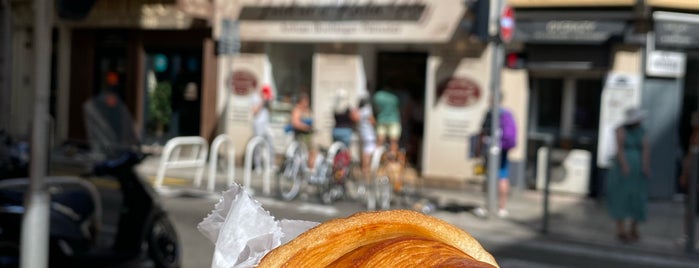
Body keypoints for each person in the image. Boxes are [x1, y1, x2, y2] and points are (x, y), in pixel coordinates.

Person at [606, 107, 650, 243]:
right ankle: (621, 229)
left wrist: (645, 165)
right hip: (623, 168)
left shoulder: (642, 131)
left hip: (637, 169)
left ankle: (634, 228)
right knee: (621, 197)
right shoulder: (621, 130)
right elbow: (619, 149)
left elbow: (646, 149)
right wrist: (624, 164)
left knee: (637, 197)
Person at [475, 92, 518, 218]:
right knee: (503, 177)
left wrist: (478, 149)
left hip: (490, 150)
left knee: (489, 177)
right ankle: (502, 208)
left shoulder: (489, 113)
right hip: (503, 149)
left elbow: (482, 133)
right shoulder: (508, 113)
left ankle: (488, 206)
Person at [251, 85, 275, 169]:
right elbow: (254, 112)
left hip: (266, 125)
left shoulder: (267, 101)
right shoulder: (255, 98)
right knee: (258, 145)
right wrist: (262, 101)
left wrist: (269, 103)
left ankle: (270, 165)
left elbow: (271, 112)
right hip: (258, 125)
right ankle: (257, 165)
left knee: (271, 144)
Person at [372, 88, 401, 155]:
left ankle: (376, 161)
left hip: (381, 120)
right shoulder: (395, 96)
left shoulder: (378, 95)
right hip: (394, 120)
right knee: (393, 142)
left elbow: (374, 108)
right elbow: (399, 108)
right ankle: (392, 161)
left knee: (379, 141)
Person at [291, 92, 316, 169]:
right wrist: (305, 127)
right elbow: (295, 122)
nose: (307, 103)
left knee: (312, 152)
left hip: (308, 136)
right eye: (306, 101)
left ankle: (309, 169)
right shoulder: (297, 110)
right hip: (301, 136)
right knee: (303, 154)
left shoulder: (307, 110)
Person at [356, 95, 377, 182]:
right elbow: (372, 121)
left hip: (362, 134)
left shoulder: (359, 111)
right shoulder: (367, 110)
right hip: (369, 135)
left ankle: (364, 170)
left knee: (365, 153)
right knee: (368, 154)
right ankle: (365, 171)